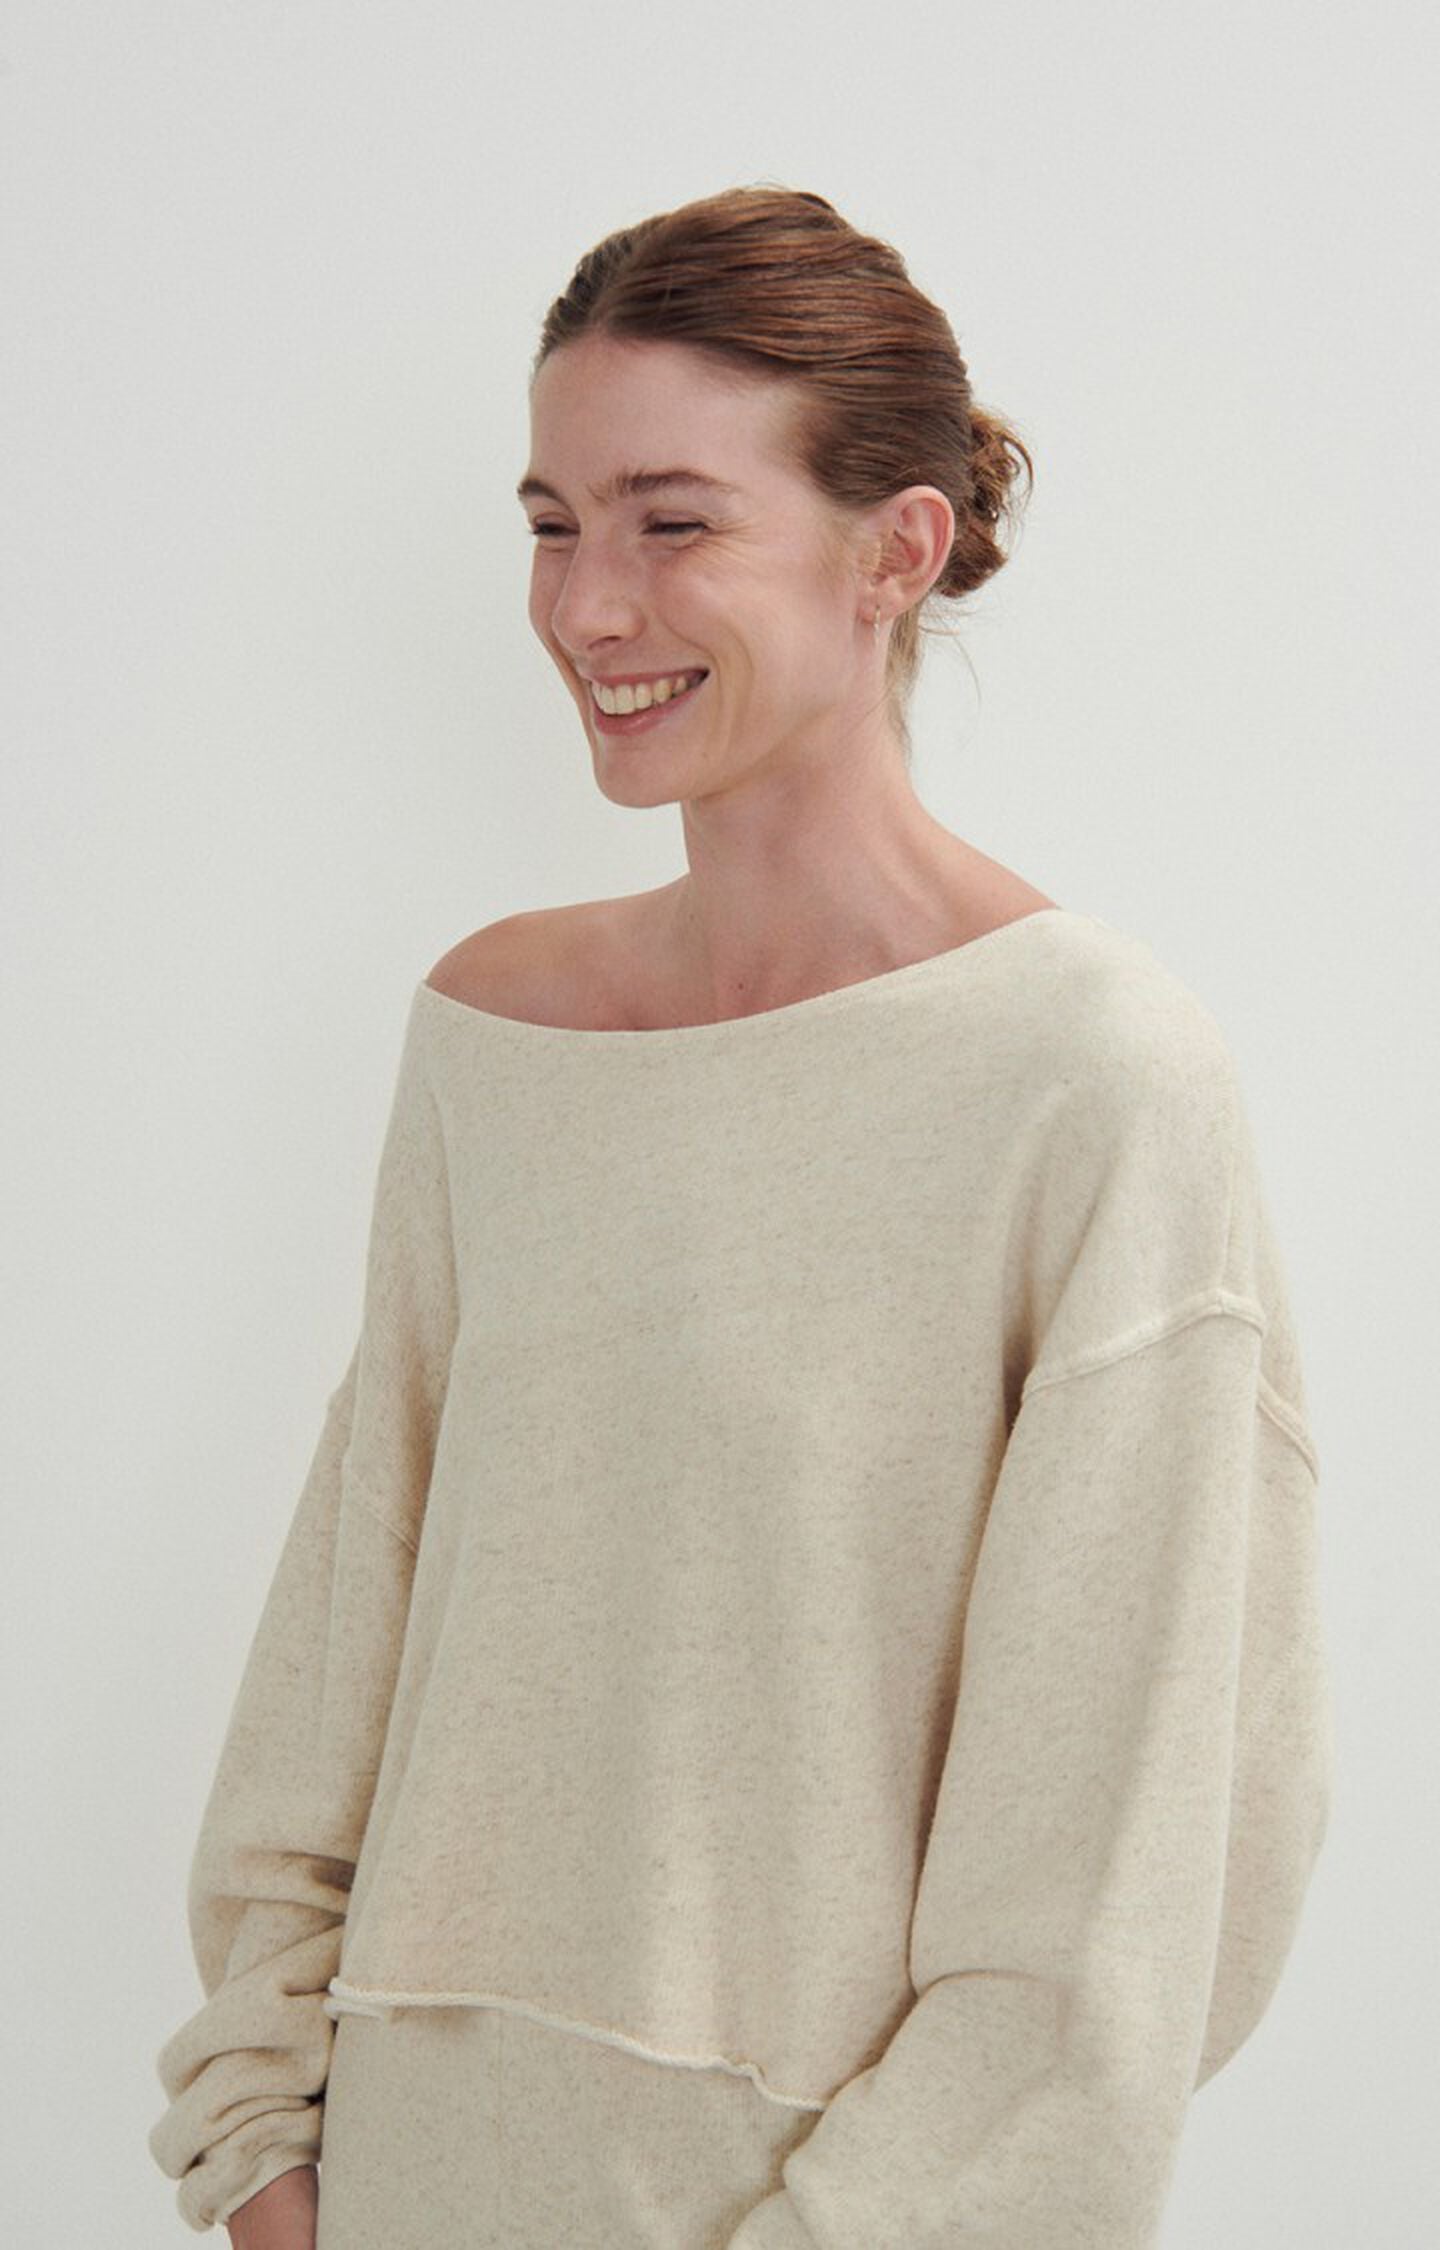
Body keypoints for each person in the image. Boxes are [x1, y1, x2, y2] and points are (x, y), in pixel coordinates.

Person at [149, 183, 1331, 2249]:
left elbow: (1128, 1898)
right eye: (551, 523)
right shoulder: (495, 1037)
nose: (587, 607)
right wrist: (259, 2140)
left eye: (672, 522)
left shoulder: (1093, 1083)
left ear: (898, 551)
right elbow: (346, 1631)